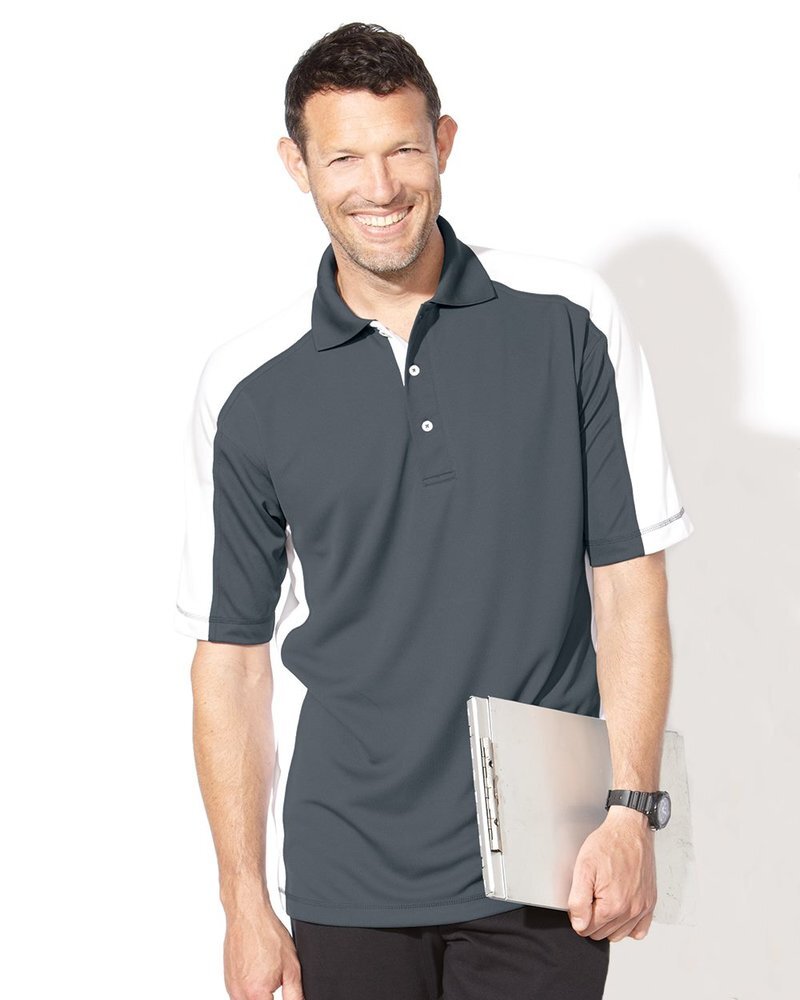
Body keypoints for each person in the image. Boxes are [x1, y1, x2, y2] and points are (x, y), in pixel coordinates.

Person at [174, 21, 694, 1000]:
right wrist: (242, 900)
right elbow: (231, 660)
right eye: (344, 158)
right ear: (296, 165)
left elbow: (630, 588)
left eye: (403, 149)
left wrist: (631, 810)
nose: (379, 187)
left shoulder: (567, 320)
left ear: (443, 143)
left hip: (545, 861)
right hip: (345, 868)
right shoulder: (247, 387)